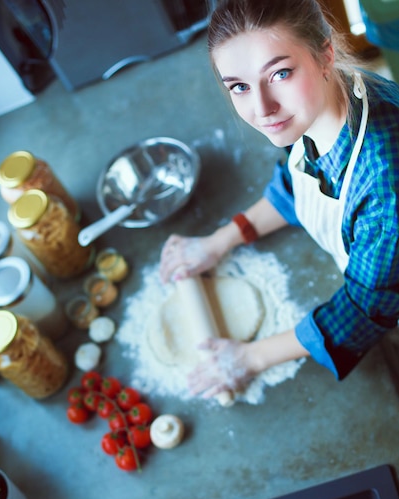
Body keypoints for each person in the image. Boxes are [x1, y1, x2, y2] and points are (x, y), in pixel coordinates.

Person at [159, 0, 399, 400]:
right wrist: (219, 242)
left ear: (326, 54)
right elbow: (294, 183)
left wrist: (249, 358)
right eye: (239, 86)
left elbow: (365, 310)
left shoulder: (386, 181)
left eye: (280, 73)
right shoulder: (320, 105)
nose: (261, 108)